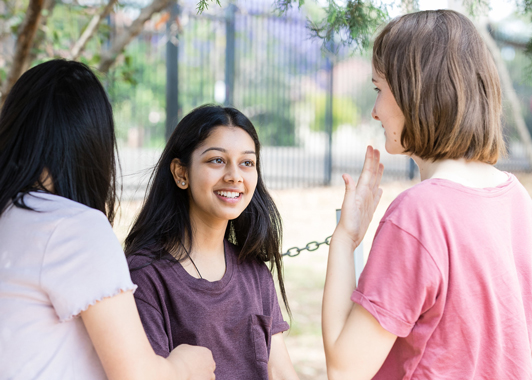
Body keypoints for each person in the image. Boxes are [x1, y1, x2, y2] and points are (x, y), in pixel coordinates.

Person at [321, 10, 532, 380]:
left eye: (378, 90)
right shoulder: (515, 198)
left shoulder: (418, 213)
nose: (375, 111)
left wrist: (346, 239)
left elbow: (345, 368)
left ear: (412, 93)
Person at [0, 59, 215, 380]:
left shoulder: (12, 216)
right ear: (92, 141)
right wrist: (186, 366)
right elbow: (137, 376)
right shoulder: (72, 226)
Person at [125, 104, 299, 380]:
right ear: (181, 173)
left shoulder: (256, 274)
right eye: (217, 160)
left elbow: (279, 371)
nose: (235, 176)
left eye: (247, 162)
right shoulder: (145, 276)